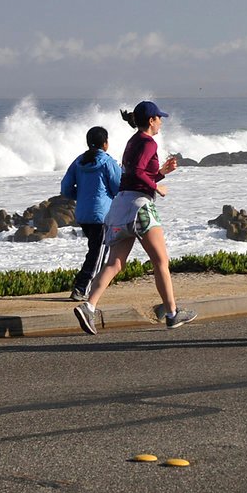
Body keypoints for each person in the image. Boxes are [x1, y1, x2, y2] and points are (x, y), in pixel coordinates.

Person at [72, 101, 195, 334]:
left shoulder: (133, 142)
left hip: (120, 206)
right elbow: (138, 173)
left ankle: (88, 307)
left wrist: (160, 174)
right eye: (159, 118)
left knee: (115, 263)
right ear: (151, 120)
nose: (161, 122)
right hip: (140, 208)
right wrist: (157, 187)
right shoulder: (148, 142)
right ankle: (172, 314)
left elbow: (134, 175)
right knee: (161, 262)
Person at [60, 126, 122, 301]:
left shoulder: (79, 161)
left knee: (95, 251)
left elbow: (65, 188)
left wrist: (79, 196)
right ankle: (81, 289)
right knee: (97, 254)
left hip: (83, 214)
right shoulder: (108, 162)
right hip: (101, 215)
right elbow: (118, 187)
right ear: (105, 144)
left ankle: (88, 287)